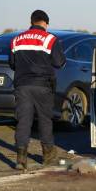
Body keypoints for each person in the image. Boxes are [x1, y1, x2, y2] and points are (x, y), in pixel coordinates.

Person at [9, 10, 66, 170]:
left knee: (23, 121)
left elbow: (12, 63)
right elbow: (59, 63)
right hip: (43, 86)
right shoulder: (50, 39)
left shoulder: (16, 40)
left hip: (22, 86)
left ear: (31, 21)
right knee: (45, 120)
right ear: (45, 23)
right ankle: (48, 157)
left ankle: (21, 159)